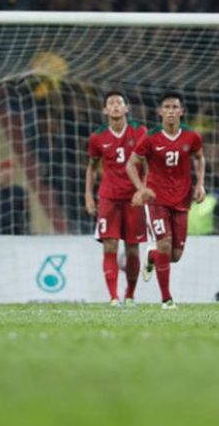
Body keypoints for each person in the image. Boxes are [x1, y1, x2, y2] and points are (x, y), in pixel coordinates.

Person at [126, 91, 205, 310]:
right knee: (164, 244)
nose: (171, 112)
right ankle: (166, 299)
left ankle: (151, 257)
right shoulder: (150, 137)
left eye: (174, 107)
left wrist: (200, 184)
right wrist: (142, 189)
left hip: (182, 200)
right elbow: (131, 164)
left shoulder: (191, 137)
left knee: (175, 255)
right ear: (160, 111)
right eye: (167, 108)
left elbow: (200, 158)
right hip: (157, 200)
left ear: (181, 111)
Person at [85, 91, 147, 307]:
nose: (115, 106)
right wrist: (88, 196)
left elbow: (148, 164)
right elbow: (92, 167)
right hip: (109, 198)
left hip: (134, 199)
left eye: (119, 102)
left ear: (126, 108)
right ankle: (113, 297)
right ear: (105, 110)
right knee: (109, 245)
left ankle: (130, 296)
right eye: (111, 103)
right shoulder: (97, 137)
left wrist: (143, 189)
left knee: (132, 248)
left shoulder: (140, 131)